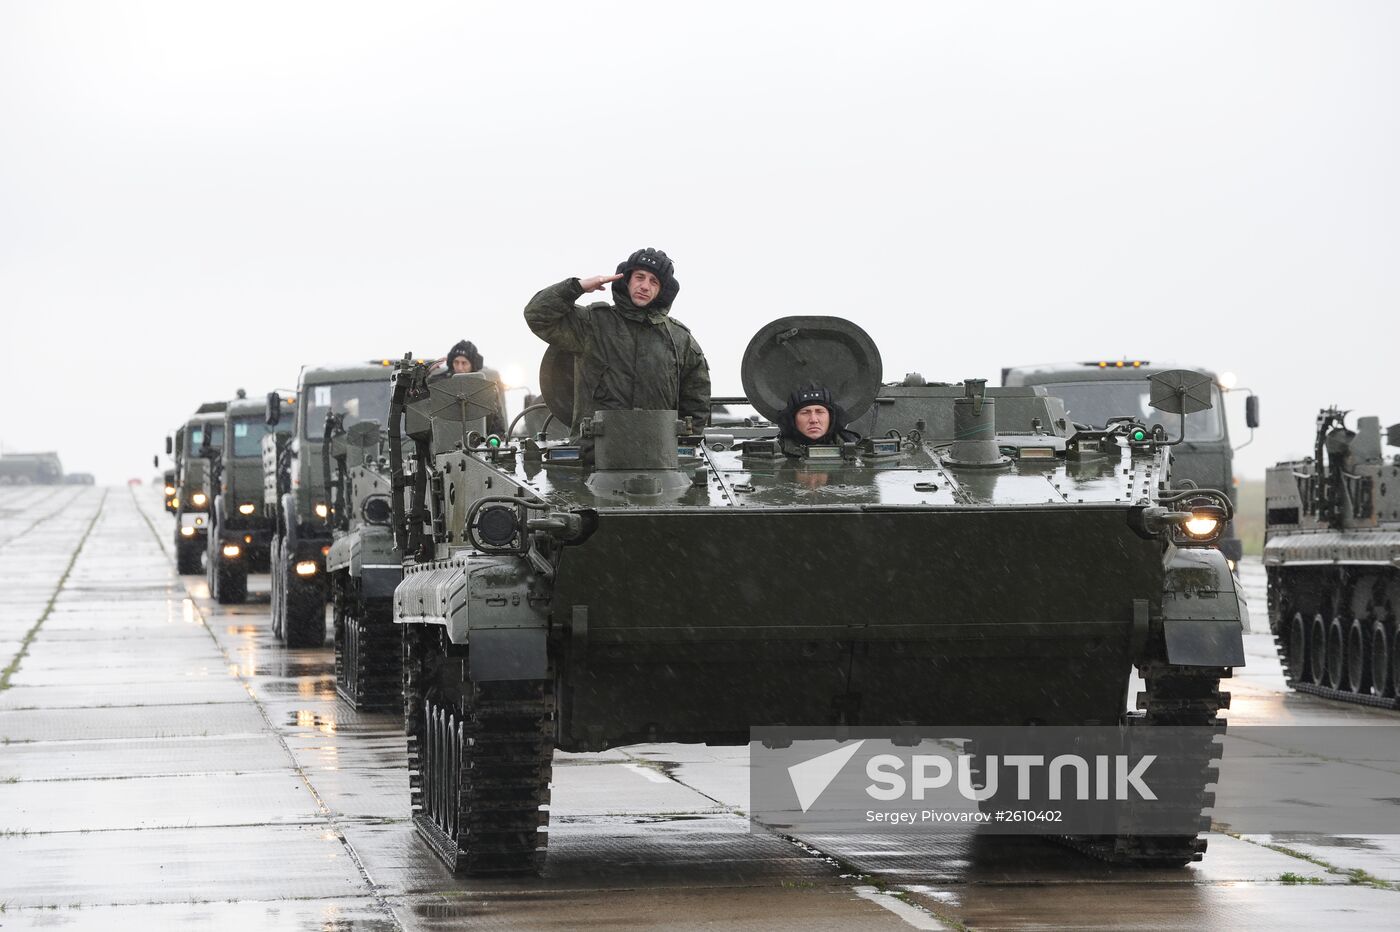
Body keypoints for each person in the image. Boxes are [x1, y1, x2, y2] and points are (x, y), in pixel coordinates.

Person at [524, 248, 710, 429]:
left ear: (662, 291)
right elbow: (537, 314)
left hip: (657, 456)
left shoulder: (680, 340)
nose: (645, 286)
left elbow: (696, 406)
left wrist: (680, 445)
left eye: (654, 281)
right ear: (627, 280)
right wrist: (576, 287)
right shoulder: (593, 323)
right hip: (595, 453)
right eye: (639, 277)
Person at [435, 339, 506, 435]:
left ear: (472, 365)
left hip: (478, 445)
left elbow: (497, 427)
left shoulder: (486, 390)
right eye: (456, 362)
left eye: (464, 363)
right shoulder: (439, 386)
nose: (460, 368)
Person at [776, 384, 861, 452]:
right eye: (805, 412)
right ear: (793, 419)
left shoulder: (856, 449)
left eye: (820, 412)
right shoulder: (777, 450)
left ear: (831, 417)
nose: (813, 420)